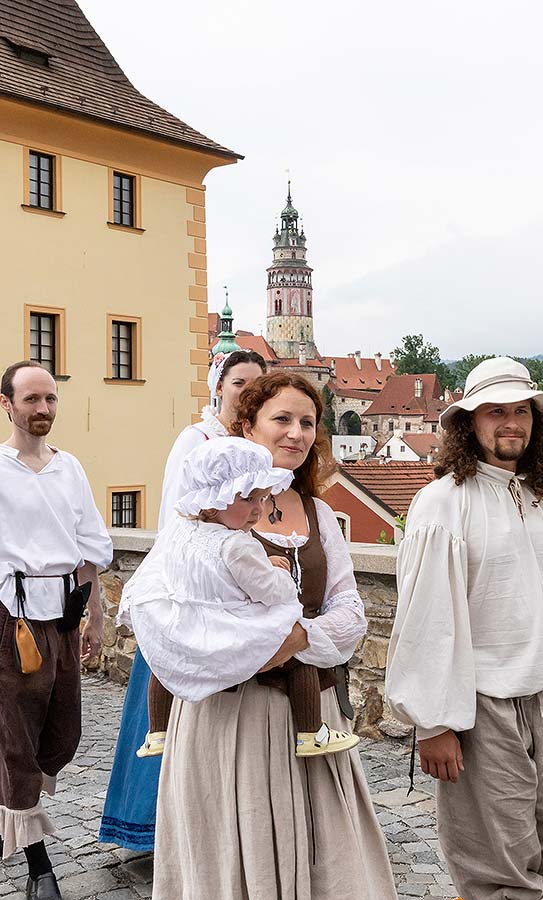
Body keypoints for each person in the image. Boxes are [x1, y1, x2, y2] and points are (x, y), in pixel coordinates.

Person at [148, 371, 397, 900]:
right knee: (232, 862)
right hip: (226, 719)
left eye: (308, 422)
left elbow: (350, 611)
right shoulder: (200, 517)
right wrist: (236, 650)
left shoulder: (320, 514)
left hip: (308, 713)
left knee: (331, 863)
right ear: (246, 427)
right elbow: (165, 614)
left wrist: (295, 640)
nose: (297, 433)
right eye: (281, 419)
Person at [386, 356, 543, 900]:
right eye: (496, 411)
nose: (511, 422)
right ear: (468, 423)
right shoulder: (442, 504)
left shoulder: (542, 500)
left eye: (521, 410)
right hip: (484, 709)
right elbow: (427, 619)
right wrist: (434, 724)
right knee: (497, 874)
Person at [99, 349, 266, 850]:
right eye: (240, 383)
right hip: (191, 589)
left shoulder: (250, 442)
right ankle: (155, 827)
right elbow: (180, 516)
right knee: (170, 709)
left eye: (258, 384)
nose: (248, 392)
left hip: (234, 589)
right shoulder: (196, 441)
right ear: (219, 387)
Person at [126, 437, 359, 759]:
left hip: (190, 620)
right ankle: (311, 732)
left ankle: (158, 732)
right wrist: (279, 573)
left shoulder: (180, 531)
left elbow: (156, 573)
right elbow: (269, 590)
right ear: (213, 499)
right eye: (249, 498)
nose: (258, 510)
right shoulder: (237, 545)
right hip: (232, 626)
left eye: (263, 498)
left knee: (166, 663)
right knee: (298, 652)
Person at [0, 361, 112, 900]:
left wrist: (95, 613)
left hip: (63, 616)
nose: (43, 409)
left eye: (50, 399)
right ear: (8, 406)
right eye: (32, 400)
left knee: (62, 736)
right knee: (15, 741)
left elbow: (90, 548)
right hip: (11, 619)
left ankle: (12, 804)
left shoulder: (70, 469)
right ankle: (38, 865)